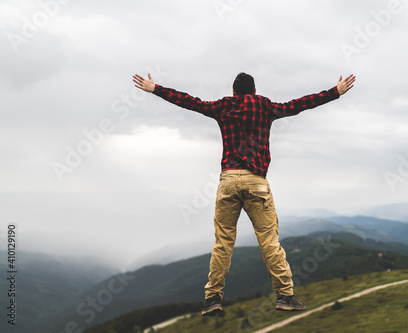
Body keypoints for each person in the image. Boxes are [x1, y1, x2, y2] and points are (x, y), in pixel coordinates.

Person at [133, 71, 355, 316]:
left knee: (223, 243)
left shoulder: (223, 106)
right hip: (256, 182)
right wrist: (335, 92)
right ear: (255, 91)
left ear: (233, 92)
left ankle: (212, 299)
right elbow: (298, 105)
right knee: (269, 241)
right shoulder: (264, 106)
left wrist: (156, 89)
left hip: (228, 180)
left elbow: (190, 101)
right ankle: (284, 296)